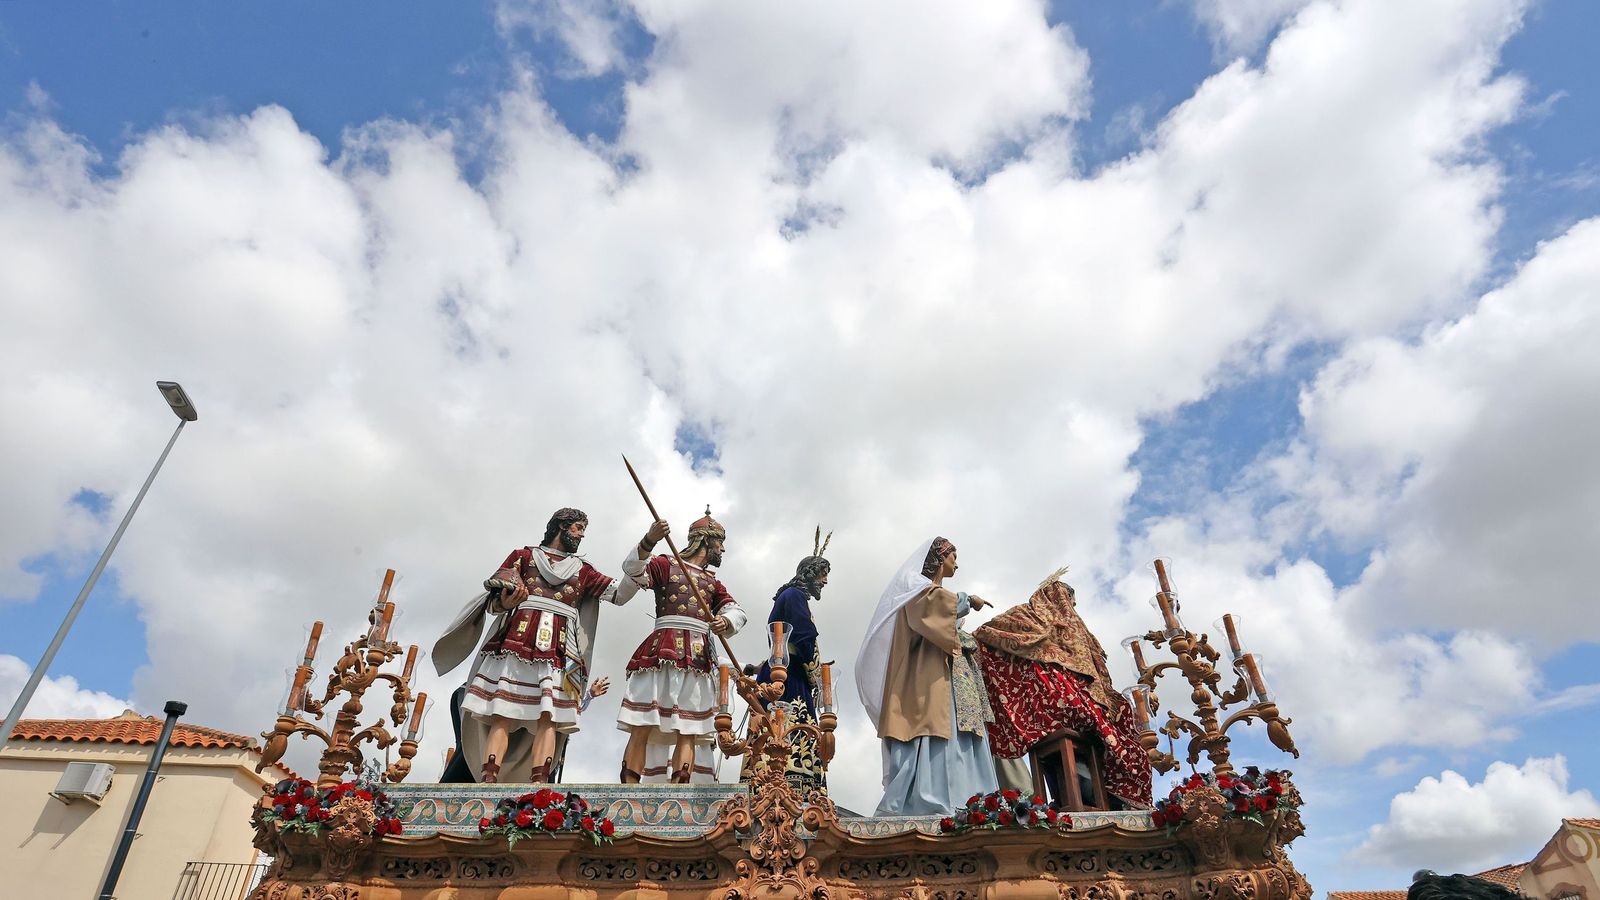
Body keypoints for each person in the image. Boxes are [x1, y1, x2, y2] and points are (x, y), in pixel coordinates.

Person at [433, 509, 662, 783]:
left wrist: (646, 544)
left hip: (559, 651)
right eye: (577, 527)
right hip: (515, 642)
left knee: (549, 716)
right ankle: (488, 780)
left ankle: (539, 783)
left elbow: (619, 594)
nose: (582, 534)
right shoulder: (524, 556)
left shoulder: (584, 571)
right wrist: (506, 601)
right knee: (502, 710)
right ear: (561, 526)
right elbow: (496, 598)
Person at [974, 569, 1152, 808]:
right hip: (1050, 705)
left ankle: (1092, 796)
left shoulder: (1071, 629)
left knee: (1121, 720)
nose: (1071, 609)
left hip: (1064, 703)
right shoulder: (1026, 616)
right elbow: (985, 634)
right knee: (1110, 735)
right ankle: (1092, 795)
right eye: (1069, 601)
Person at [855, 536, 999, 816]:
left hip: (950, 679)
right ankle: (932, 798)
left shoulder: (930, 592)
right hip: (927, 678)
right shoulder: (915, 587)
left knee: (959, 731)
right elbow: (934, 609)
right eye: (953, 556)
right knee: (931, 726)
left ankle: (971, 798)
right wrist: (968, 600)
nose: (956, 563)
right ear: (939, 557)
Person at [616, 507, 747, 783]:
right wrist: (648, 541)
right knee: (642, 722)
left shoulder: (712, 582)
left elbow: (738, 611)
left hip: (697, 658)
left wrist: (727, 622)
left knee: (689, 726)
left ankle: (679, 790)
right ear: (706, 541)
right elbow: (632, 570)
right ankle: (630, 788)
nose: (722, 549)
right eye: (720, 543)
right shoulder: (666, 564)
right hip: (661, 651)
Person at [745, 542, 832, 795]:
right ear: (810, 573)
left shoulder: (790, 596)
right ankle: (790, 790)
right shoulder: (794, 596)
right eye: (822, 574)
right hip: (789, 678)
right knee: (788, 731)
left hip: (781, 671)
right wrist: (816, 677)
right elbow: (804, 638)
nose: (825, 581)